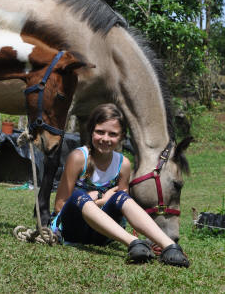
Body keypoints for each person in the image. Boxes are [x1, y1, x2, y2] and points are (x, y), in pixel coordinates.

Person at [51, 103, 189, 266]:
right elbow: (60, 205)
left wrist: (107, 199)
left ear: (122, 136)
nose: (105, 138)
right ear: (91, 131)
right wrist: (97, 200)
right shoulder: (79, 157)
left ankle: (169, 246)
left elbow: (122, 204)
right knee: (78, 196)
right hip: (73, 230)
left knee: (121, 196)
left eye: (112, 134)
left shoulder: (123, 164)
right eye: (100, 132)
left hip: (101, 235)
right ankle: (133, 242)